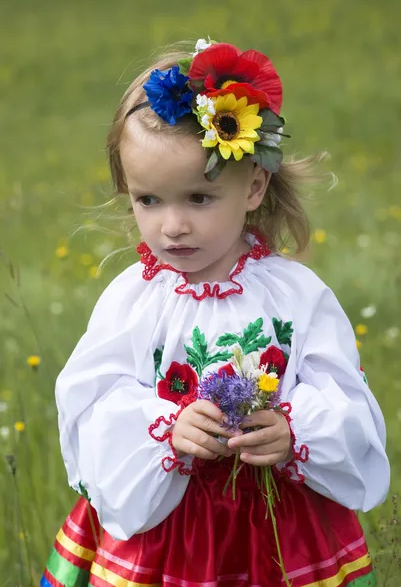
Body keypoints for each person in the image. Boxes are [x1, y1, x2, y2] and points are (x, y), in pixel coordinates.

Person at [41, 38, 390, 587]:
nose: (172, 225)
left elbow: (347, 398)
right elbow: (91, 401)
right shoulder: (134, 300)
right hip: (167, 534)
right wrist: (165, 430)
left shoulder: (296, 295)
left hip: (278, 530)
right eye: (148, 200)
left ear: (253, 186)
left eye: (198, 199)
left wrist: (292, 431)